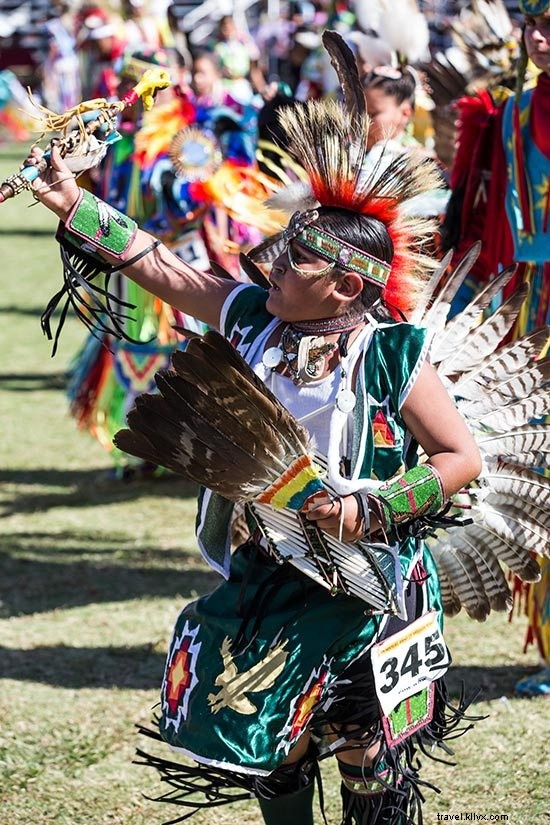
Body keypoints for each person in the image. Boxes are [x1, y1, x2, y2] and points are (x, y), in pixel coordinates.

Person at [22, 34, 483, 825]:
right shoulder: (253, 319)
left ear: (346, 284)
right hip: (267, 560)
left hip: (366, 575)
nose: (270, 260)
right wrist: (71, 201)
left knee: (361, 741)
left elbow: (460, 455)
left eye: (296, 256)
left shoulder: (392, 355)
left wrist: (366, 509)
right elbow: (162, 266)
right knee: (273, 738)